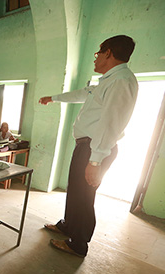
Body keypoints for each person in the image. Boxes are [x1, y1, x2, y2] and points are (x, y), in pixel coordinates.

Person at [39, 35, 138, 258]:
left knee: (84, 195)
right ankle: (68, 226)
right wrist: (53, 98)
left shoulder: (121, 81)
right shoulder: (108, 80)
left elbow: (111, 123)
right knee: (75, 189)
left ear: (109, 53)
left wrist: (95, 160)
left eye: (98, 53)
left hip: (95, 149)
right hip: (87, 146)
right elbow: (83, 94)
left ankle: (78, 243)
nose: (96, 59)